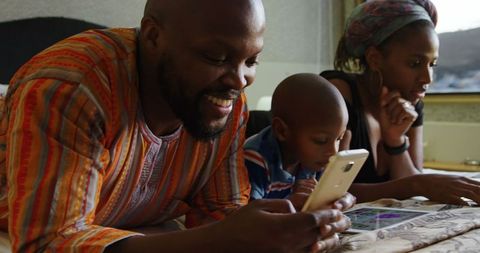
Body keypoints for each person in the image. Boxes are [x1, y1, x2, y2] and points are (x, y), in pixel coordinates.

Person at [0, 0, 352, 252]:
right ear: (152, 36)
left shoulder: (226, 106)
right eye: (216, 58)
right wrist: (221, 239)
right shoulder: (73, 86)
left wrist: (283, 232)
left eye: (251, 60)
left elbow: (221, 215)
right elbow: (48, 241)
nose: (239, 81)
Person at [320, 0, 480, 205]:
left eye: (432, 64)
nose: (427, 79)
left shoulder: (410, 101)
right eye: (415, 63)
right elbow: (323, 189)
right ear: (375, 58)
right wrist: (417, 184)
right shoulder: (337, 94)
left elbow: (413, 178)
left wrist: (395, 141)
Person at [244, 73, 354, 211]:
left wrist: (338, 198)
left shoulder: (315, 158)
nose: (333, 152)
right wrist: (291, 201)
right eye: (321, 140)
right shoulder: (256, 159)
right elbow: (249, 218)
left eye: (339, 139)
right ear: (282, 131)